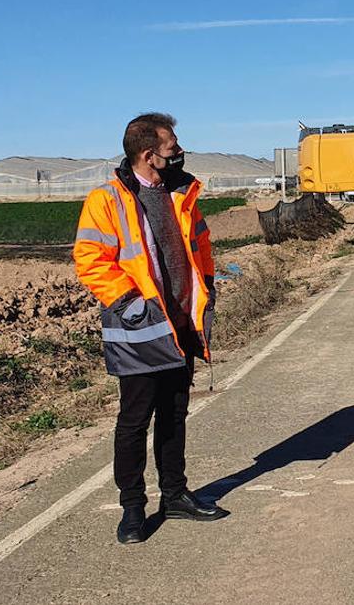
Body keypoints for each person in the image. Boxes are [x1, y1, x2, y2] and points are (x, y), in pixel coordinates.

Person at [73, 113, 229, 544]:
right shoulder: (106, 200)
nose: (178, 152)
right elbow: (90, 259)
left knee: (175, 413)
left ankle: (175, 495)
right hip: (140, 328)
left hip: (181, 322)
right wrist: (130, 304)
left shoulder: (180, 192)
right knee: (135, 419)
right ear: (148, 154)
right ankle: (133, 508)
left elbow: (200, 244)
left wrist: (208, 288)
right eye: (172, 146)